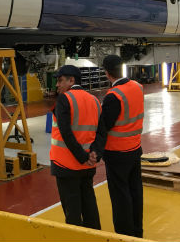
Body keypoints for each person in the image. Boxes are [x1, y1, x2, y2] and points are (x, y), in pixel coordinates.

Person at [89, 55, 144, 238]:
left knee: (120, 196)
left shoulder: (114, 96)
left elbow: (105, 125)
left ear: (107, 73)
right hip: (135, 149)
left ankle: (124, 235)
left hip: (117, 153)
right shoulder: (137, 87)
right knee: (135, 191)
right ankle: (137, 232)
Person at [50, 65, 102, 229]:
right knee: (89, 205)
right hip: (88, 166)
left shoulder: (65, 99)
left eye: (60, 81)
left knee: (72, 211)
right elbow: (101, 131)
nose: (57, 85)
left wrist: (82, 157)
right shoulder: (94, 100)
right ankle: (95, 236)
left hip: (66, 165)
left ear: (71, 80)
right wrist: (94, 154)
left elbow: (66, 133)